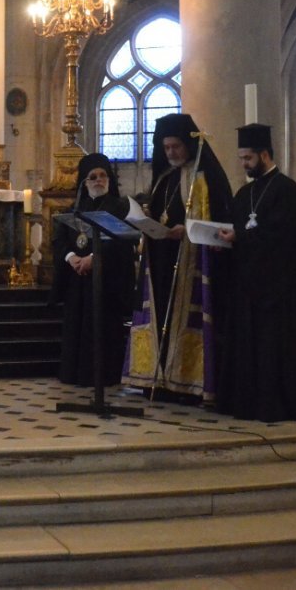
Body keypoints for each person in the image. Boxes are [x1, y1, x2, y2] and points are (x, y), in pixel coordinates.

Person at [122, 112, 232, 402]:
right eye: (166, 148)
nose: (171, 153)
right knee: (159, 316)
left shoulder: (205, 178)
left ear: (189, 145)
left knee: (186, 317)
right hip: (161, 259)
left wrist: (188, 228)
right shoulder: (164, 179)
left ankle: (187, 380)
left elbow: (219, 220)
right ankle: (158, 376)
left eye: (176, 147)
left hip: (192, 260)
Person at [217, 123, 296, 422]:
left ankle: (274, 406)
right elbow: (238, 229)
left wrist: (240, 238)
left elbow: (280, 237)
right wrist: (224, 242)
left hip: (277, 291)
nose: (243, 164)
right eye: (241, 158)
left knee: (271, 349)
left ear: (265, 154)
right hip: (247, 288)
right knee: (247, 349)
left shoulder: (287, 191)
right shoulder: (244, 194)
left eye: (248, 158)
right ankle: (244, 404)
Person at [50, 153, 136, 387]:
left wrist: (93, 258)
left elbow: (123, 242)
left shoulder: (120, 207)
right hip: (77, 280)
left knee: (103, 326)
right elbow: (60, 240)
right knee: (77, 325)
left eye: (103, 176)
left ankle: (105, 375)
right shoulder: (74, 208)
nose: (99, 180)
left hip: (107, 281)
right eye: (93, 177)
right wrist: (71, 258)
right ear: (84, 182)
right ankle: (74, 373)